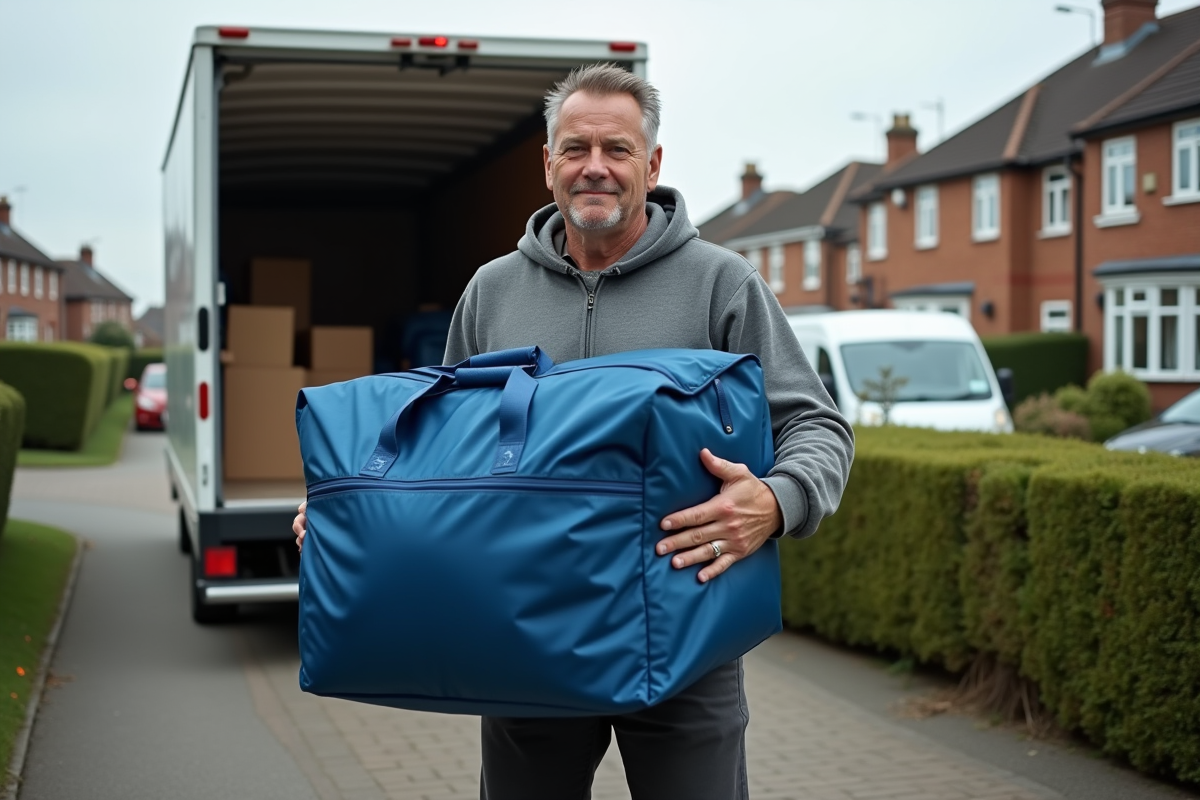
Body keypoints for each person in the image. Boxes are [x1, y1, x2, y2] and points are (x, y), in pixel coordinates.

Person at [295, 63, 854, 800]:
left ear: (651, 165)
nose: (596, 167)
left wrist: (778, 501)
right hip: (525, 643)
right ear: (549, 164)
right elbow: (444, 448)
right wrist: (352, 514)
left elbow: (816, 425)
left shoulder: (722, 282)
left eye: (618, 150)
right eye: (577, 148)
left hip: (684, 636)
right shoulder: (492, 290)